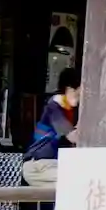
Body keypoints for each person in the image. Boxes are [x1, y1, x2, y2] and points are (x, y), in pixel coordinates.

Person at [23, 67, 80, 196]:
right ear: (70, 89)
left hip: (51, 165)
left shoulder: (69, 110)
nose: (81, 98)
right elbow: (73, 136)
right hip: (38, 166)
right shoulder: (55, 106)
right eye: (79, 93)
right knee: (76, 182)